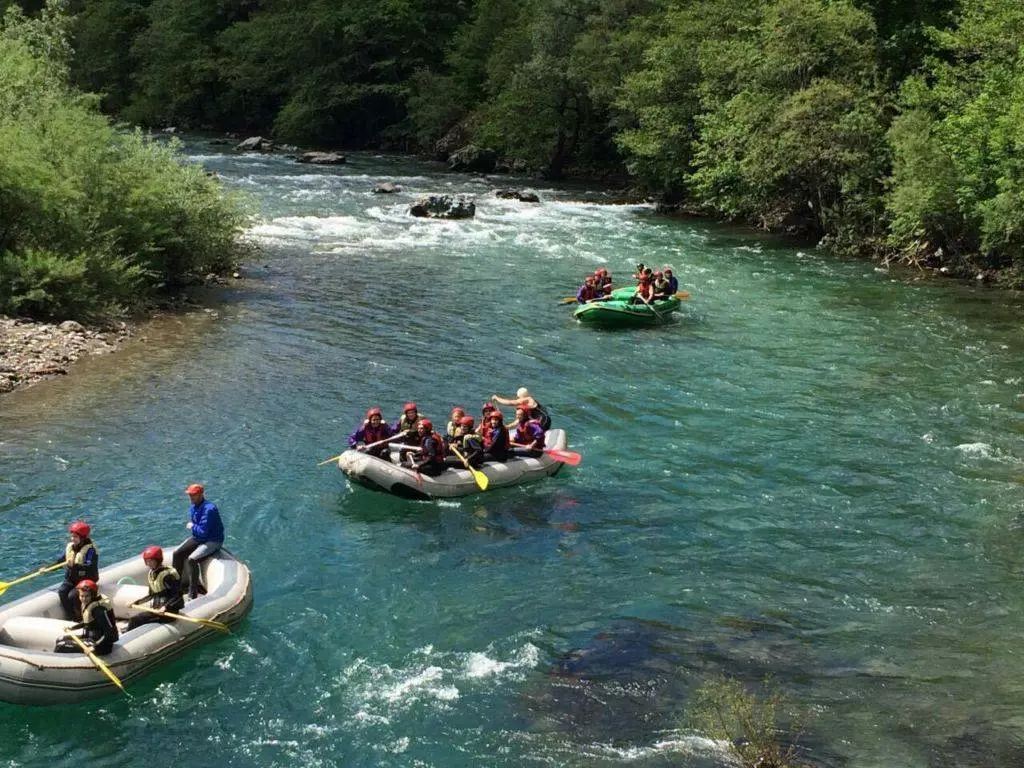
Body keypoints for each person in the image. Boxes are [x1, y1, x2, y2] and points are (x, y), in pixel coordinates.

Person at [173, 484, 224, 600]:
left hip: (212, 540)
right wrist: (194, 527)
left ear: (201, 495)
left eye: (193, 495)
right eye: (190, 495)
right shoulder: (194, 507)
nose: (191, 497)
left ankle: (193, 593)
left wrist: (192, 526)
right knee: (177, 553)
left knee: (192, 559)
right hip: (199, 538)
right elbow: (199, 532)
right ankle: (175, 587)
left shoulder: (209, 509)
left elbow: (203, 532)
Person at [43, 521, 99, 620]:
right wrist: (48, 569)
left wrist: (75, 566)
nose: (73, 539)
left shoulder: (90, 551)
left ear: (83, 538)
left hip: (86, 579)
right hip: (72, 579)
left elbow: (88, 566)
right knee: (62, 592)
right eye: (72, 536)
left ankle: (83, 616)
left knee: (73, 596)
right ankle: (73, 617)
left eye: (76, 537)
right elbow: (60, 561)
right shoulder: (70, 547)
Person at [126, 546, 184, 631]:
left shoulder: (167, 575)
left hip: (168, 613)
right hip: (157, 610)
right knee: (137, 619)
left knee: (135, 620)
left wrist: (165, 607)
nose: (149, 563)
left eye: (151, 560)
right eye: (147, 561)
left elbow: (177, 594)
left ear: (158, 560)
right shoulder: (152, 574)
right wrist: (137, 602)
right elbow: (152, 595)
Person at [54, 580, 118, 656]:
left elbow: (109, 633)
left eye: (87, 596)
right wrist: (73, 628)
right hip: (90, 638)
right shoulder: (88, 604)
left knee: (61, 645)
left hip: (101, 645)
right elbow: (87, 622)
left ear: (93, 595)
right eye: (82, 596)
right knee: (60, 639)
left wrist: (94, 647)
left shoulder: (98, 610)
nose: (84, 599)